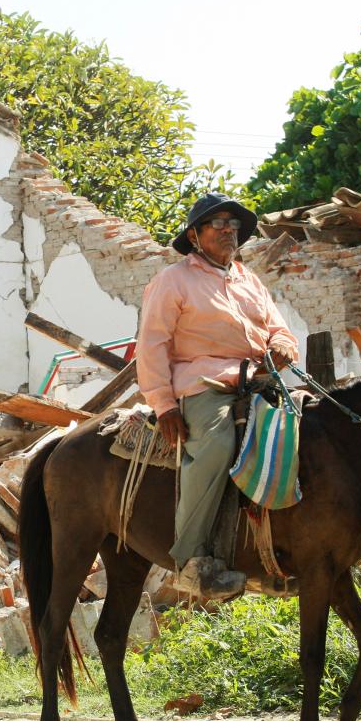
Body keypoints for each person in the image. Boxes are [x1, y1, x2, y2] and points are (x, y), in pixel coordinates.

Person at [136, 192, 299, 598]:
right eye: (218, 224)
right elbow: (152, 344)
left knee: (309, 432)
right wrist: (164, 405)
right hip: (203, 386)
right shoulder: (172, 281)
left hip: (260, 380)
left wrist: (282, 346)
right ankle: (192, 562)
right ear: (195, 235)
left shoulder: (249, 280)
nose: (229, 230)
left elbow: (279, 328)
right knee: (216, 443)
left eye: (234, 225)